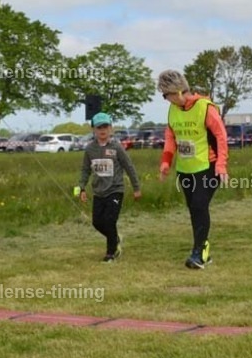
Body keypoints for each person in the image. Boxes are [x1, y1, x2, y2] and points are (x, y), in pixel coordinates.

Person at [157, 70, 229, 269]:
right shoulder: (173, 110)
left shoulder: (205, 107)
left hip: (208, 166)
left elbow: (221, 136)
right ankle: (202, 248)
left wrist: (221, 164)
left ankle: (199, 253)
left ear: (178, 92)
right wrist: (166, 162)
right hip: (185, 169)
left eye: (166, 95)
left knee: (199, 205)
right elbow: (170, 137)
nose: (166, 99)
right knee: (194, 209)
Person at [77, 112, 141, 262]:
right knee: (97, 222)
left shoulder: (117, 148)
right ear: (94, 129)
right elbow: (85, 170)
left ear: (111, 128)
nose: (102, 130)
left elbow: (129, 167)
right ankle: (115, 238)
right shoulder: (90, 149)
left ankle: (111, 252)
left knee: (109, 220)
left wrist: (136, 188)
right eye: (99, 127)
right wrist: (81, 187)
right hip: (98, 192)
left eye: (105, 127)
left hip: (115, 190)